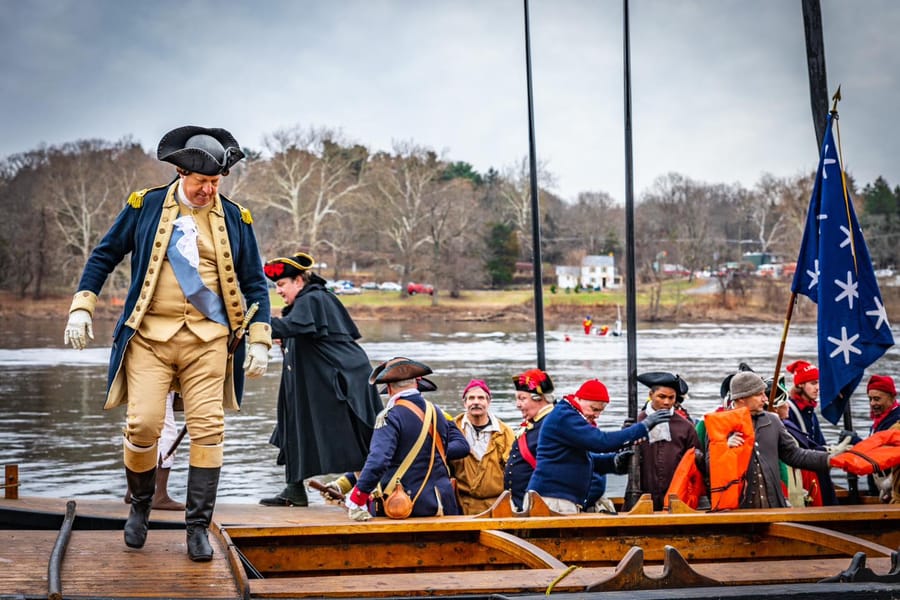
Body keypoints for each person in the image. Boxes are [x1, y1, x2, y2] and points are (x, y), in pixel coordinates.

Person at [63, 125, 272, 561]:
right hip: (150, 338)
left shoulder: (235, 217)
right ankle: (139, 507)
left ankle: (196, 527)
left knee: (210, 430)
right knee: (142, 426)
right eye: (201, 182)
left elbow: (254, 282)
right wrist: (82, 305)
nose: (208, 190)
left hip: (210, 340)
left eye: (215, 183)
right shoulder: (146, 205)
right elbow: (104, 254)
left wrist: (260, 339)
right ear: (181, 172)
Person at [259, 252, 383, 507]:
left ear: (298, 281)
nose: (279, 291)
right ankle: (294, 490)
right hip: (321, 384)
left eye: (282, 285)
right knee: (294, 428)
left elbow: (294, 327)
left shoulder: (313, 298)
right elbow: (299, 330)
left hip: (338, 385)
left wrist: (255, 323)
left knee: (350, 440)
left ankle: (370, 498)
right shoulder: (310, 301)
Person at [345, 358, 469, 520]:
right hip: (443, 502)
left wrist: (358, 497)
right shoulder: (438, 412)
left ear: (389, 388)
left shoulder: (389, 416)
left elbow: (378, 461)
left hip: (406, 505)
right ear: (416, 384)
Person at [528, 378, 670, 513]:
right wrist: (643, 427)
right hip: (553, 499)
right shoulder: (565, 417)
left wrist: (612, 462)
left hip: (557, 497)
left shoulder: (568, 415)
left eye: (600, 411)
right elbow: (601, 442)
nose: (596, 415)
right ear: (580, 399)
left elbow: (581, 458)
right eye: (594, 409)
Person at [720, 372, 832, 509]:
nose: (765, 399)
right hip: (736, 509)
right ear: (742, 398)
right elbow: (709, 468)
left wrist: (829, 459)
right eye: (759, 394)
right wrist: (724, 448)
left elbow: (794, 455)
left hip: (773, 506)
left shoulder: (773, 421)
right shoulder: (721, 425)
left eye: (764, 393)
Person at [635, 372, 700, 511]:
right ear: (651, 395)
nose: (667, 402)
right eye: (661, 397)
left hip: (677, 497)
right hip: (641, 497)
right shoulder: (636, 423)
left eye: (671, 398)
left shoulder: (686, 427)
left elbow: (695, 466)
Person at [450, 379, 515, 515]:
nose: (476, 402)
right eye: (471, 398)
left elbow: (513, 469)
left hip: (497, 505)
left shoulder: (504, 432)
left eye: (481, 398)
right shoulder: (452, 428)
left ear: (488, 402)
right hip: (461, 505)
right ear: (465, 402)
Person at [504, 368, 555, 512]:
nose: (517, 405)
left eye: (522, 398)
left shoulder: (550, 425)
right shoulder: (537, 423)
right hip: (523, 504)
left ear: (540, 399)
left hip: (538, 504)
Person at [124, 391, 184, 511]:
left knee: (139, 425)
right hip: (159, 379)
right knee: (166, 432)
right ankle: (159, 495)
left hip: (141, 379)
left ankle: (134, 489)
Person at [863, 374, 900, 502]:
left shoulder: (896, 422)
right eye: (870, 399)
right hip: (879, 490)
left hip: (893, 491)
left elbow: (882, 453)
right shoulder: (879, 421)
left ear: (891, 397)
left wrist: (856, 443)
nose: (873, 403)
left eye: (877, 399)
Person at [784, 360, 827, 447]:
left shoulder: (810, 411)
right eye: (813, 383)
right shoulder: (788, 410)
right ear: (800, 384)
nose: (818, 388)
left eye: (819, 382)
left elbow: (820, 443)